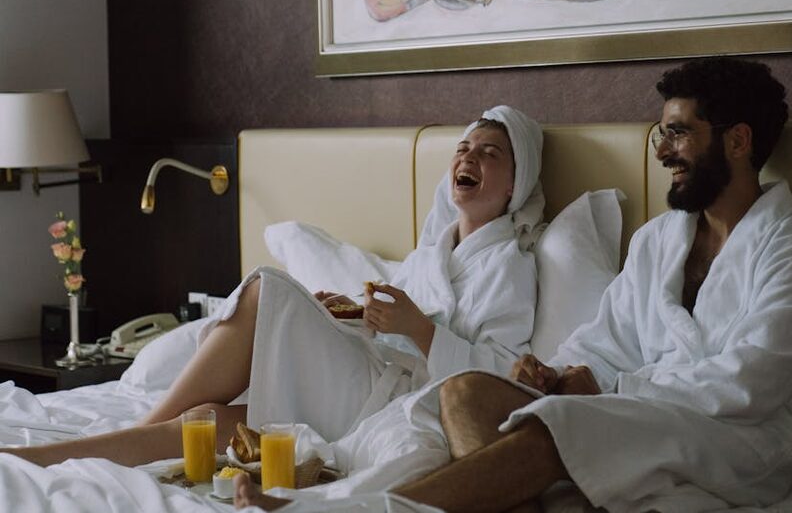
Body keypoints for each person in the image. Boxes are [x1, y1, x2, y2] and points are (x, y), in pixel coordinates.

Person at [234, 57, 792, 512]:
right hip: (634, 413)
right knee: (464, 394)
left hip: (735, 442)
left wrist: (607, 391)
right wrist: (557, 372)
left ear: (738, 140)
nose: (664, 153)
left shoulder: (790, 252)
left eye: (679, 134)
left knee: (555, 426)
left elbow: (750, 383)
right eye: (661, 136)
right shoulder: (660, 241)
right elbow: (604, 339)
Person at [1, 105, 544, 468]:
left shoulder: (511, 268)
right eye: (463, 148)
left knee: (267, 290)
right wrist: (356, 314)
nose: (468, 157)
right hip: (364, 369)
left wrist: (418, 330)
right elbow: (396, 327)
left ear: (515, 186)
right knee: (209, 425)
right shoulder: (432, 252)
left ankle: (138, 423)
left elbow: (500, 385)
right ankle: (61, 458)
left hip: (392, 401)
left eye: (489, 153)